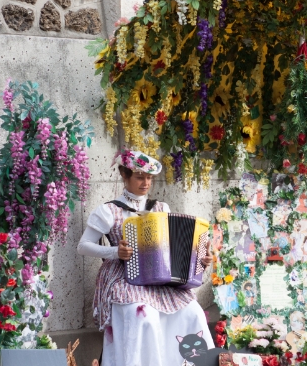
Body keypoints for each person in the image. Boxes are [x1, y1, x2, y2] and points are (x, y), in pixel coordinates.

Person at [77, 150, 214, 366]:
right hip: (124, 277)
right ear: (125, 175)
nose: (146, 183)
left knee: (193, 311)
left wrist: (198, 260)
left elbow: (173, 247)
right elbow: (83, 246)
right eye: (140, 177)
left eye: (149, 178)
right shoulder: (108, 211)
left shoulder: (161, 208)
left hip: (161, 278)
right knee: (145, 316)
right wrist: (115, 252)